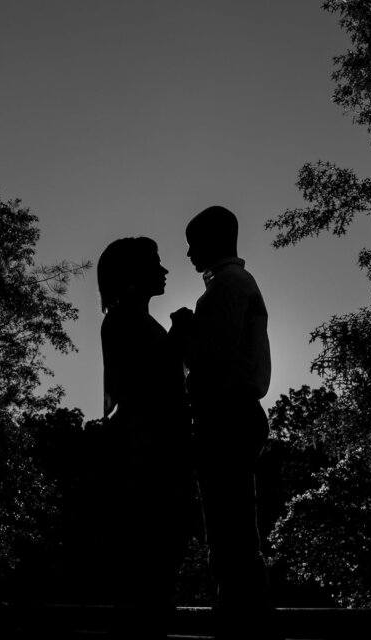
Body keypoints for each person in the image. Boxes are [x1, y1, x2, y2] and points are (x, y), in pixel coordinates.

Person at [169, 206, 274, 638]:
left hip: (226, 415)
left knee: (228, 525)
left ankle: (241, 618)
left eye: (193, 243)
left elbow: (211, 360)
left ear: (213, 241)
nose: (188, 253)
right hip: (235, 413)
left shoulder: (225, 287)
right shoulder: (236, 283)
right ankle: (244, 612)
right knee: (233, 520)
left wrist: (183, 332)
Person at [96, 237, 194, 636]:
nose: (165, 270)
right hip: (145, 459)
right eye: (156, 263)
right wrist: (178, 337)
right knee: (149, 557)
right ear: (134, 275)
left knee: (162, 558)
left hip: (159, 454)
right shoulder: (122, 322)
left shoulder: (139, 323)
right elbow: (140, 387)